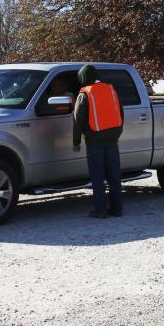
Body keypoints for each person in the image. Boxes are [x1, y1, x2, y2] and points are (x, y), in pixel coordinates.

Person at [73, 64, 124, 218]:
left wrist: (76, 142)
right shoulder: (111, 89)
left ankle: (100, 210)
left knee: (98, 177)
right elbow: (120, 112)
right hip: (113, 140)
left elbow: (78, 121)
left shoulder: (85, 94)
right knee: (114, 176)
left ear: (82, 77)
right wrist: (117, 133)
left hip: (94, 141)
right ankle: (117, 209)